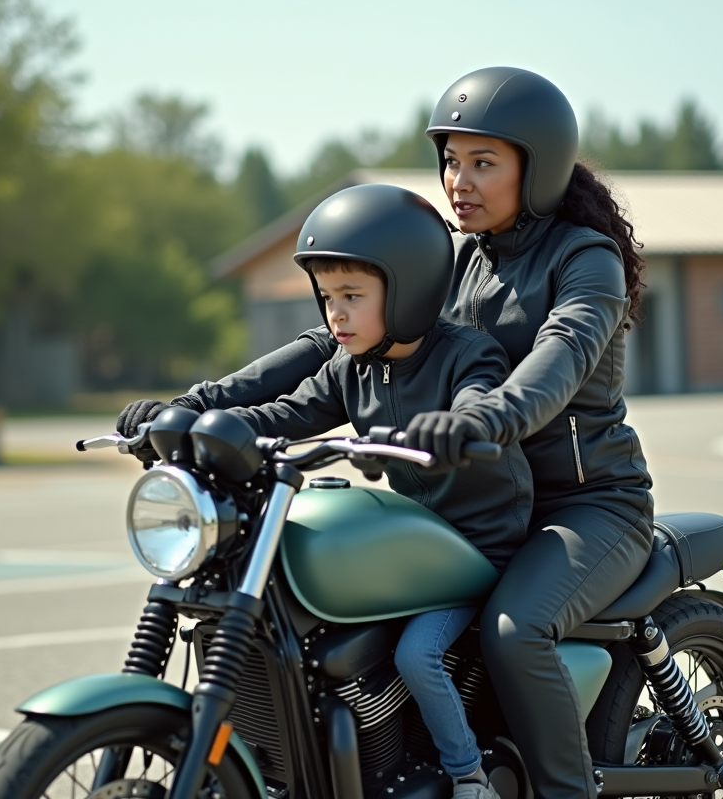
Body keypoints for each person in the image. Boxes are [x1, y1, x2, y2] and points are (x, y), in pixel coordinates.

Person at [118, 67, 653, 799]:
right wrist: (200, 406)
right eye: (450, 160)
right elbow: (331, 346)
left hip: (585, 509)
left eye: (483, 162)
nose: (458, 180)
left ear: (541, 165)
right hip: (470, 499)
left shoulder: (584, 258)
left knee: (512, 629)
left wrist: (486, 417)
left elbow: (561, 354)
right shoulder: (457, 259)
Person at [227, 182, 532, 799]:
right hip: (416, 552)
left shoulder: (467, 352)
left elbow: (482, 395)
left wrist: (459, 423)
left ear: (411, 289)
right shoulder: (353, 367)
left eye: (352, 296)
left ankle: (469, 776)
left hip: (478, 551)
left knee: (417, 655)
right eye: (328, 297)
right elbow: (285, 412)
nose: (334, 313)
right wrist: (202, 423)